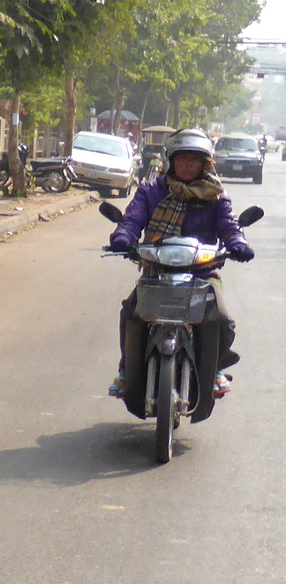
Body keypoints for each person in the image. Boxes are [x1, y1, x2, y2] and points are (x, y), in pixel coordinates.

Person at [106, 127, 254, 398]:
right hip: (157, 269)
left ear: (204, 163)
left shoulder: (215, 195)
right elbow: (132, 219)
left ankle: (216, 368)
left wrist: (238, 243)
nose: (189, 164)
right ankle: (127, 368)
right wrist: (123, 237)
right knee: (131, 313)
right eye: (183, 158)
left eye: (195, 159)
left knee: (222, 319)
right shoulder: (151, 190)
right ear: (171, 160)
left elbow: (229, 226)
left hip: (201, 272)